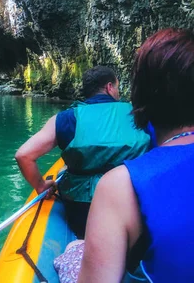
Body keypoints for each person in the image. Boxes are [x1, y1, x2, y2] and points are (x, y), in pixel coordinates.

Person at [78, 28, 194, 283]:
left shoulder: (120, 185)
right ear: (110, 88)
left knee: (72, 252)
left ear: (139, 96)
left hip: (87, 191)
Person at [15, 66, 150, 238]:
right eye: (117, 87)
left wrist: (41, 186)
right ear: (109, 87)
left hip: (82, 209)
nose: (118, 92)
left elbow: (24, 155)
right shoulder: (138, 114)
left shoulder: (66, 118)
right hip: (131, 202)